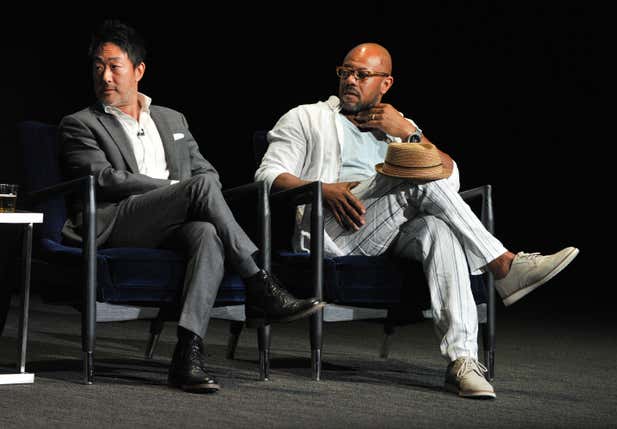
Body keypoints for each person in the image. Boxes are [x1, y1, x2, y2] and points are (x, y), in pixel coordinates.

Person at [255, 42, 579, 399]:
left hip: (391, 231)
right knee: (412, 171)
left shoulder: (398, 125)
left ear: (386, 84)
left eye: (362, 75)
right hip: (335, 229)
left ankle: (463, 362)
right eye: (345, 72)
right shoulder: (307, 117)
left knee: (438, 227)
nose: (350, 80)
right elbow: (268, 176)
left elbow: (449, 180)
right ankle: (503, 264)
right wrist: (322, 188)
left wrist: (408, 131)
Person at [59, 19, 325, 394]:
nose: (105, 76)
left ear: (138, 70)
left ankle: (188, 354)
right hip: (119, 219)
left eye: (114, 66)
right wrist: (176, 188)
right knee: (197, 189)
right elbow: (104, 179)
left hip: (174, 223)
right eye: (98, 67)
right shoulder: (80, 123)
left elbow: (206, 172)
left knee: (207, 233)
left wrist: (189, 191)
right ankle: (259, 283)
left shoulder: (172, 119)